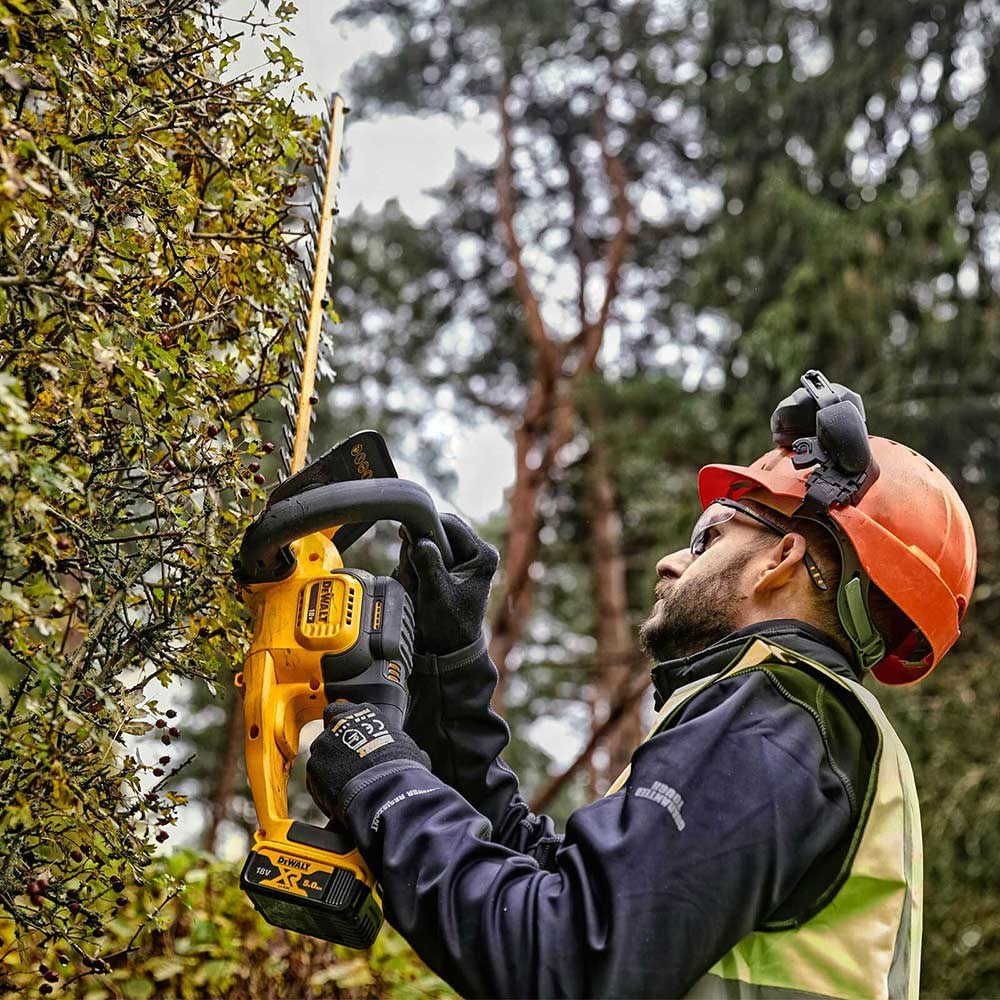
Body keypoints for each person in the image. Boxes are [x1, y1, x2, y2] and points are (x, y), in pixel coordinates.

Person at [306, 422, 976, 999]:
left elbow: (566, 962)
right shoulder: (807, 732)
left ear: (780, 559)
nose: (668, 562)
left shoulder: (778, 723)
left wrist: (383, 780)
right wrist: (448, 667)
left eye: (708, 536)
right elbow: (549, 887)